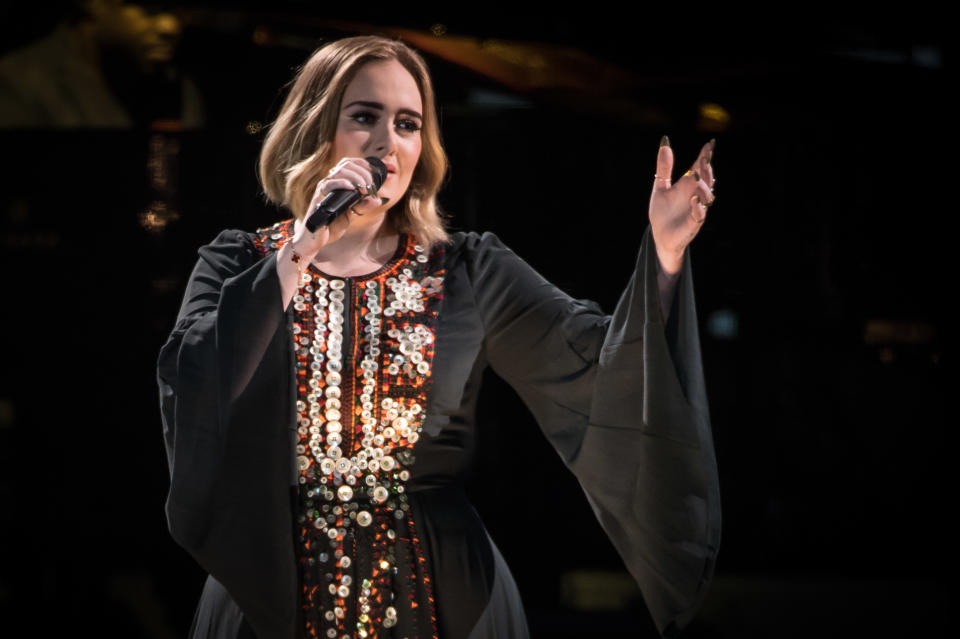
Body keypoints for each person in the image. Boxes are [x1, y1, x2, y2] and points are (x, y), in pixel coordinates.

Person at [157, 35, 720, 639]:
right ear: (315, 129)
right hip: (269, 587)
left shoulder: (466, 270)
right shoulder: (238, 262)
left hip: (438, 590)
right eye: (364, 117)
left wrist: (663, 253)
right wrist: (304, 246)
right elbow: (196, 383)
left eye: (407, 124)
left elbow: (608, 366)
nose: (386, 142)